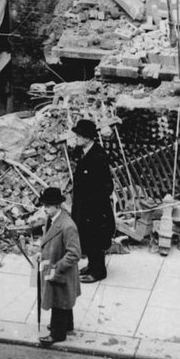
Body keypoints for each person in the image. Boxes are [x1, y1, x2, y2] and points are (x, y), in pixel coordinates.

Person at [69, 118, 114, 283]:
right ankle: (91, 265)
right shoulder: (84, 151)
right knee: (86, 237)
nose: (76, 138)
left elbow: (107, 185)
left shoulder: (98, 156)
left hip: (94, 207)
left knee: (95, 238)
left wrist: (95, 204)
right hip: (83, 205)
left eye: (79, 136)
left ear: (87, 138)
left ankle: (98, 271)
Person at [36, 187, 81, 348]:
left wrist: (57, 267)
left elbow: (74, 254)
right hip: (53, 265)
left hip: (60, 270)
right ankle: (67, 325)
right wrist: (42, 253)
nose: (45, 209)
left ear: (57, 206)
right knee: (63, 299)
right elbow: (48, 240)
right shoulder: (53, 220)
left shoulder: (68, 226)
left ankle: (57, 333)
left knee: (58, 300)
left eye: (47, 206)